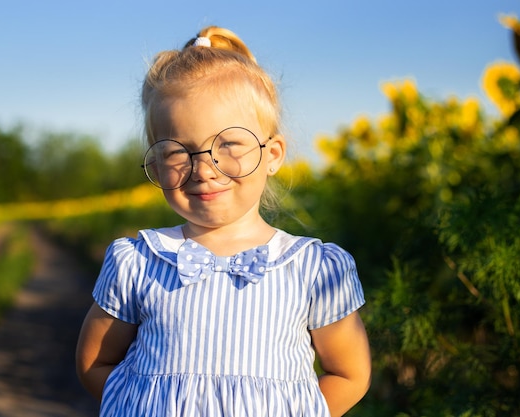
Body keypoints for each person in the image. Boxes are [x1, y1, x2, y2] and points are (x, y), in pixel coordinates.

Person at [75, 26, 371, 417]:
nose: (203, 169)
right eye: (177, 151)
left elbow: (349, 373)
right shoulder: (139, 260)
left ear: (273, 154)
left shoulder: (314, 270)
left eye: (228, 144)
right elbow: (95, 363)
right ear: (156, 160)